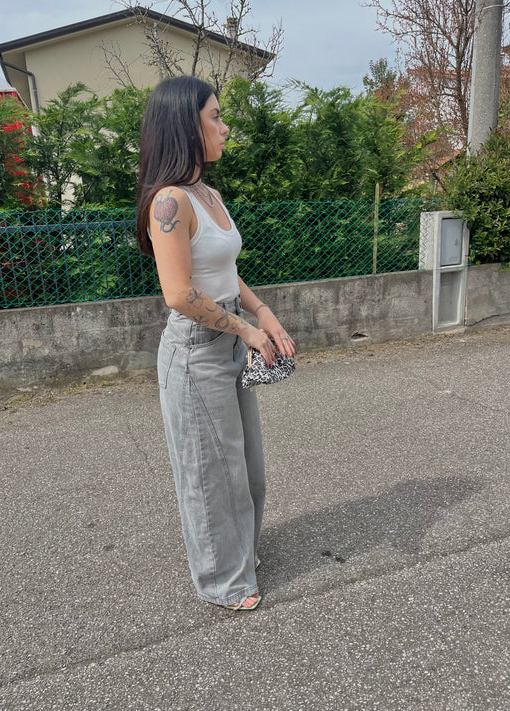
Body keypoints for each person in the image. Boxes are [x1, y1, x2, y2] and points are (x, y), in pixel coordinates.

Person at [136, 75, 295, 611]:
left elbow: (226, 271)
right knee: (210, 472)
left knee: (247, 467)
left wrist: (263, 313)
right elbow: (179, 294)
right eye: (216, 117)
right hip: (195, 351)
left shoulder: (209, 195)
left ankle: (240, 554)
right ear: (186, 125)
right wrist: (246, 329)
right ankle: (223, 581)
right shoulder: (170, 201)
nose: (225, 128)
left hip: (230, 339)